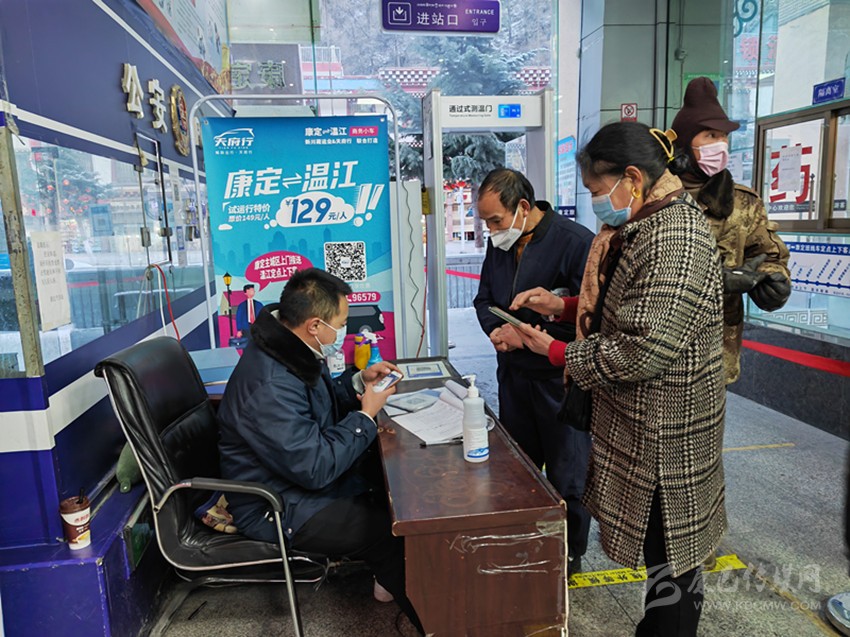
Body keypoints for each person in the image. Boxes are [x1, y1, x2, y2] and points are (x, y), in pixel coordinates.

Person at [516, 122, 726, 637]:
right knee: (663, 550)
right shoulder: (649, 222)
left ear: (632, 177)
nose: (596, 203)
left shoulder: (674, 236)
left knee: (672, 552)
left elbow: (642, 348)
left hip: (667, 431)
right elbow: (630, 304)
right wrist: (563, 306)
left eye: (597, 189)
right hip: (650, 423)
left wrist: (557, 350)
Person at [217, 268, 423, 634]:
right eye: (340, 325)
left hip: (293, 479)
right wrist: (365, 416)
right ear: (314, 325)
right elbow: (315, 468)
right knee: (388, 529)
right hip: (275, 504)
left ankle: (393, 580)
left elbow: (316, 405)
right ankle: (433, 620)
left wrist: (359, 381)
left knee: (397, 487)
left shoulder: (290, 348)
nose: (341, 332)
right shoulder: (270, 384)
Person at [471, 168, 595, 575]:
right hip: (513, 375)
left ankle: (569, 552)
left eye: (496, 221)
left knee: (567, 470)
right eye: (486, 223)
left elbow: (590, 320)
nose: (492, 231)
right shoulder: (501, 245)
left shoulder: (575, 243)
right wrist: (497, 331)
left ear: (523, 207)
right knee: (518, 465)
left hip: (557, 380)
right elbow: (484, 298)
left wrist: (527, 335)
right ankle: (524, 537)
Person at [671, 76, 791, 385]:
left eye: (724, 136)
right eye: (710, 135)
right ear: (683, 142)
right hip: (661, 344)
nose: (720, 145)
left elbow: (768, 254)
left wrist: (772, 282)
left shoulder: (743, 202)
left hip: (717, 348)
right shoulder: (655, 198)